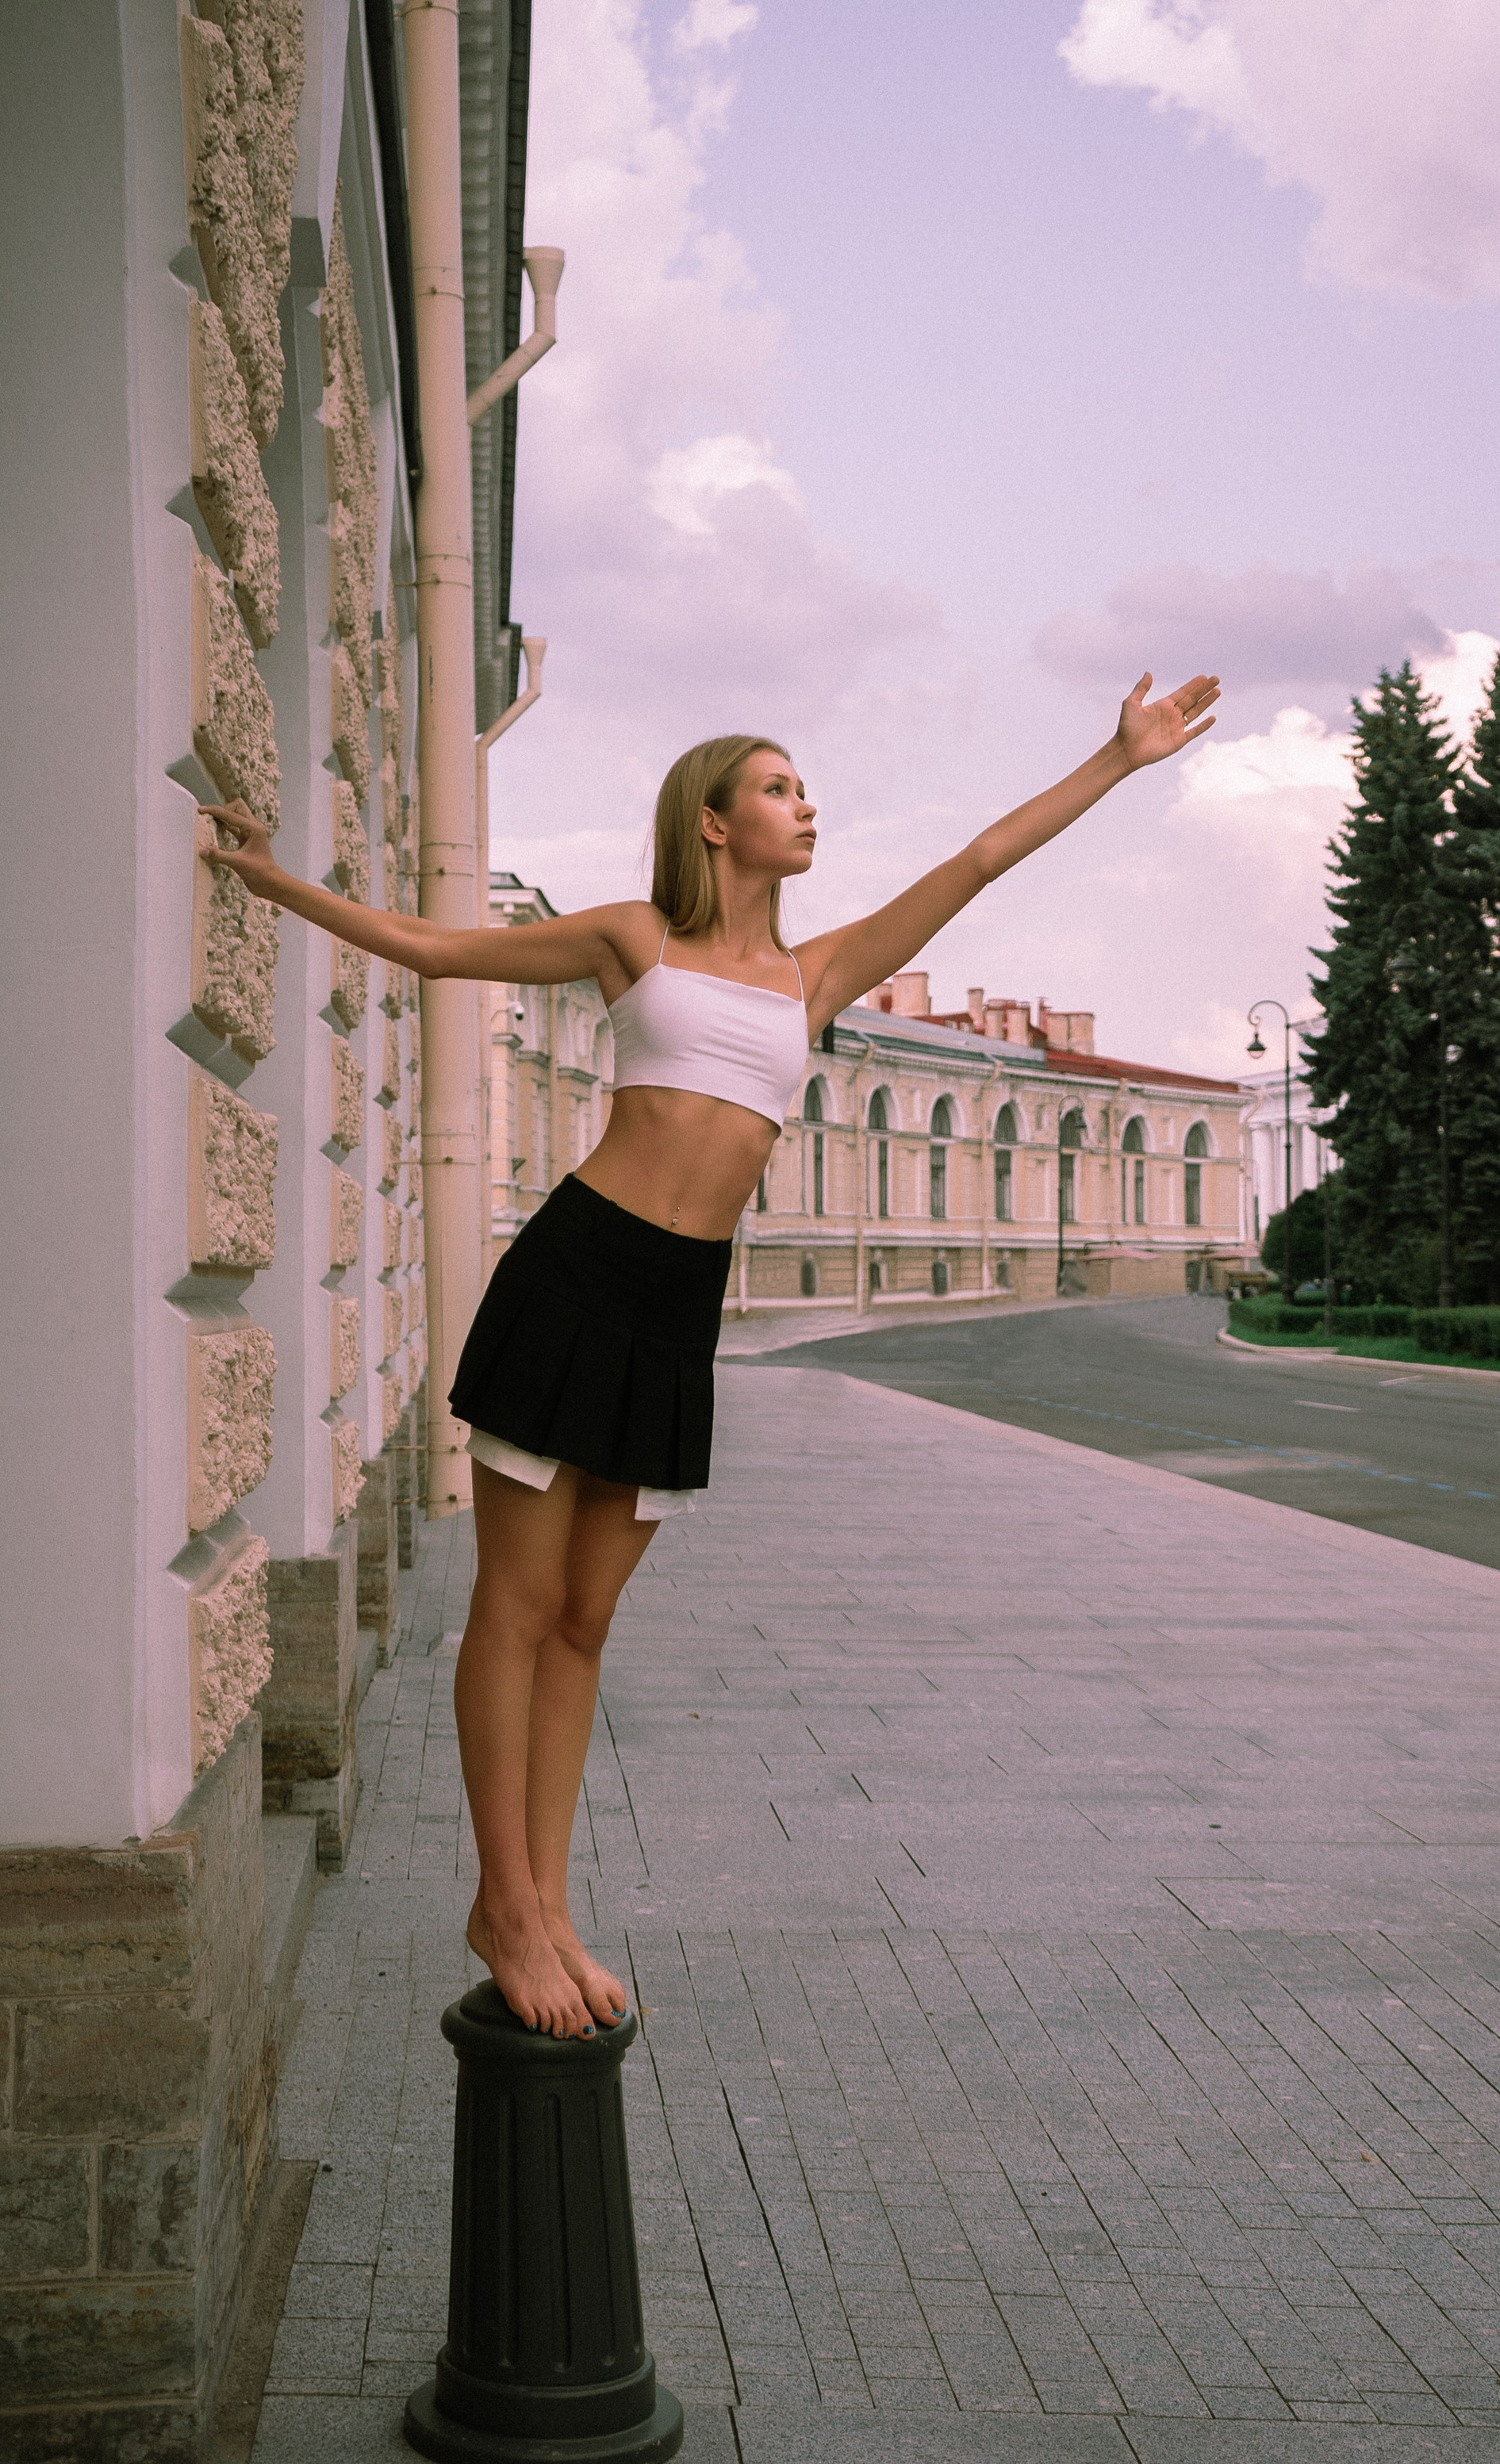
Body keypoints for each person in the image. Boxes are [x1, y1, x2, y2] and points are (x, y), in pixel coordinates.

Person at [202, 669, 1219, 2036]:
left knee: (585, 1619)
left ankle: (547, 1907)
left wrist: (1118, 758)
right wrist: (274, 882)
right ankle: (503, 1903)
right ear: (714, 821)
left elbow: (979, 860)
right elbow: (435, 950)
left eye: (805, 789)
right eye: (780, 789)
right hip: (574, 1278)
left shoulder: (818, 974)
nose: (808, 807)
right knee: (516, 1604)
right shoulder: (634, 938)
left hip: (678, 1306)